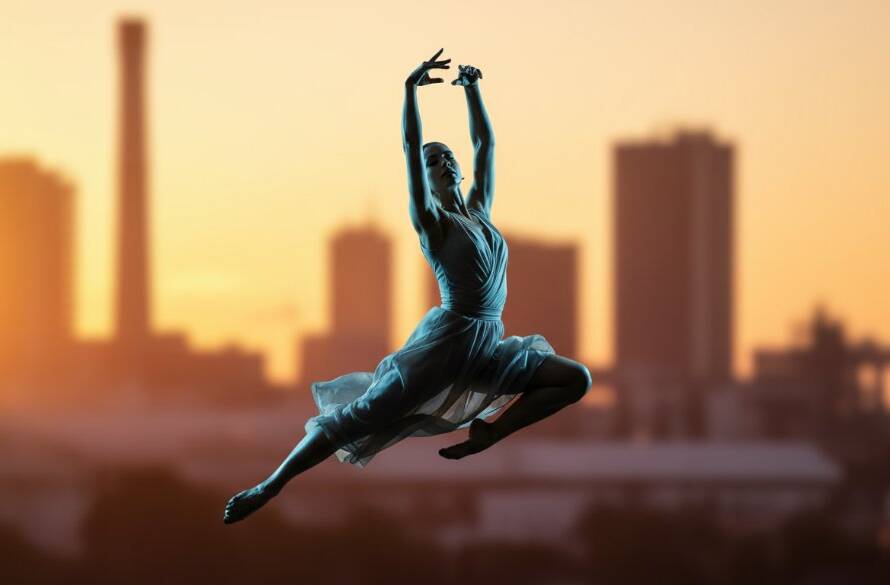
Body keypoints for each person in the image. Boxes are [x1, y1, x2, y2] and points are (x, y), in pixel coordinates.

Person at [223, 49, 591, 525]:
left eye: (447, 157)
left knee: (574, 379)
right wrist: (409, 90)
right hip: (447, 344)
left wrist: (472, 90)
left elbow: (486, 147)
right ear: (423, 177)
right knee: (352, 421)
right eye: (433, 160)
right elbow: (409, 144)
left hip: (486, 343)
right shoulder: (431, 222)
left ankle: (490, 434)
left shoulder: (478, 211)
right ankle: (267, 487)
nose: (445, 162)